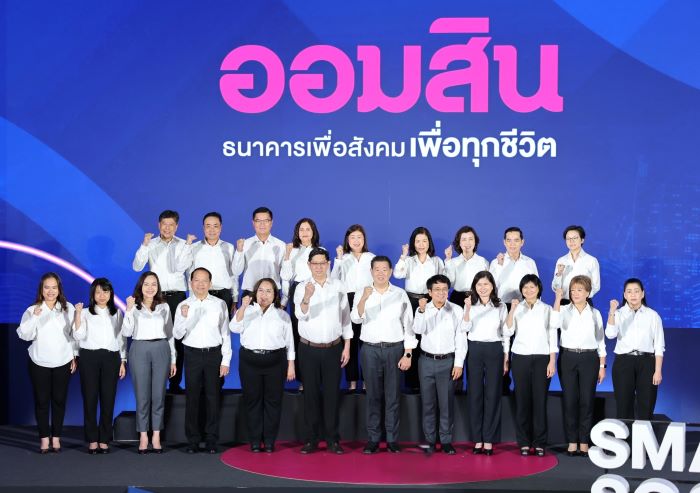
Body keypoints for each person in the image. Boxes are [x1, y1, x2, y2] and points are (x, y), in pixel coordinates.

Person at [351, 256, 415, 454]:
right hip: (369, 349)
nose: (380, 273)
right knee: (372, 396)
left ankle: (392, 439)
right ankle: (373, 439)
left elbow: (409, 325)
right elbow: (356, 318)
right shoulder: (362, 292)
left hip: (394, 349)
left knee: (393, 396)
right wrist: (364, 298)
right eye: (376, 269)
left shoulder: (400, 294)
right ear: (371, 272)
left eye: (384, 269)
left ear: (391, 271)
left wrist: (408, 354)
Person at [294, 247, 352, 454]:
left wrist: (347, 346)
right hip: (308, 348)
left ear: (328, 264)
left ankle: (332, 440)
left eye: (322, 263)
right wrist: (307, 297)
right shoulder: (302, 287)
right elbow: (300, 315)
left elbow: (345, 318)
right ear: (309, 265)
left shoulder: (338, 286)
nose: (318, 267)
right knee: (310, 395)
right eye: (314, 263)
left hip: (333, 348)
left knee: (332, 395)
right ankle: (311, 439)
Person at [132, 209, 194, 393]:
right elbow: (137, 267)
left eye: (171, 225)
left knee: (178, 339)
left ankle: (174, 384)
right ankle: (156, 384)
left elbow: (188, 271)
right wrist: (144, 245)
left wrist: (191, 299)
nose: (167, 228)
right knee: (158, 338)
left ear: (177, 226)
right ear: (159, 225)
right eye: (164, 224)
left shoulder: (184, 244)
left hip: (178, 296)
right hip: (155, 297)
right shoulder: (150, 244)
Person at [231, 278, 295, 453]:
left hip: (275, 361)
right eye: (260, 290)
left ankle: (269, 441)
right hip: (250, 360)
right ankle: (254, 440)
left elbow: (289, 342)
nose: (264, 295)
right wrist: (243, 307)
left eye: (268, 291)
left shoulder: (282, 315)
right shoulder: (247, 311)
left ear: (274, 295)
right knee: (252, 401)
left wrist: (291, 365)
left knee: (273, 402)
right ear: (255, 293)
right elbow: (234, 327)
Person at [17, 273, 78, 454]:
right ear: (41, 290)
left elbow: (74, 334)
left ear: (59, 289)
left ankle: (56, 437)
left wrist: (74, 355)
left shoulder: (68, 308)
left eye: (54, 287)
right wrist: (35, 317)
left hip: (63, 360)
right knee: (42, 401)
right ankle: (44, 439)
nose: (50, 291)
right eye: (47, 287)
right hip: (39, 361)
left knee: (59, 400)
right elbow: (24, 335)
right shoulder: (33, 310)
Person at [174, 268, 231, 454]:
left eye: (204, 280)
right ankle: (193, 440)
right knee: (192, 398)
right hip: (192, 354)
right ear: (190, 283)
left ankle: (211, 439)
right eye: (196, 280)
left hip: (214, 354)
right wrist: (184, 318)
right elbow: (177, 334)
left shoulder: (220, 304)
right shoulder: (183, 305)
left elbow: (225, 333)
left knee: (213, 397)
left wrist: (226, 360)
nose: (200, 284)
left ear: (210, 283)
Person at [504, 274, 559, 457]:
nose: (528, 290)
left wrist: (552, 360)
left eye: (532, 287)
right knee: (522, 401)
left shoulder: (547, 309)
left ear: (538, 289)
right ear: (521, 290)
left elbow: (552, 334)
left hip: (542, 358)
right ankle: (524, 442)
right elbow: (508, 330)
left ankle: (540, 442)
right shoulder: (517, 308)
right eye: (525, 287)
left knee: (540, 401)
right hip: (520, 357)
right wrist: (512, 309)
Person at [122, 271, 177, 454]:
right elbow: (127, 332)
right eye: (146, 284)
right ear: (140, 286)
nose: (150, 288)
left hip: (161, 348)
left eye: (154, 284)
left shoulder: (164, 306)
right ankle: (143, 435)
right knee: (142, 396)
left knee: (158, 395)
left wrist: (173, 359)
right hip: (139, 348)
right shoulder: (134, 306)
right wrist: (128, 310)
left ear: (158, 287)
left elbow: (170, 334)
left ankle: (156, 435)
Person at [414, 274, 467, 455]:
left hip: (448, 362)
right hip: (426, 361)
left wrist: (458, 363)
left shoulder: (456, 310)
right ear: (429, 292)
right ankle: (429, 440)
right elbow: (417, 329)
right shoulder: (422, 309)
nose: (441, 293)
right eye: (437, 289)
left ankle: (445, 440)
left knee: (446, 404)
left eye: (444, 289)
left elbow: (461, 338)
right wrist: (421, 311)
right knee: (428, 403)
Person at [72, 278, 126, 454]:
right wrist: (77, 315)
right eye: (98, 292)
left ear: (111, 294)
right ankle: (92, 439)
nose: (102, 295)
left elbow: (121, 338)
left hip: (111, 357)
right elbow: (78, 336)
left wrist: (123, 360)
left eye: (105, 291)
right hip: (89, 357)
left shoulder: (117, 313)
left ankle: (104, 439)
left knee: (108, 399)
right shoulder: (84, 312)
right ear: (92, 294)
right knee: (90, 398)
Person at [555, 275, 606, 457]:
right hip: (567, 356)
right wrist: (558, 299)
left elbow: (601, 341)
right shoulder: (563, 310)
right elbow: (554, 323)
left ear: (588, 292)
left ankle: (584, 442)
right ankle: (572, 441)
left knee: (586, 401)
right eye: (572, 290)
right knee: (570, 400)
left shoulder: (595, 313)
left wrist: (602, 366)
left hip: (589, 358)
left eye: (579, 290)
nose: (575, 293)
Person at [462, 271, 508, 455]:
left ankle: (489, 439)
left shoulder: (500, 306)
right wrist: (467, 309)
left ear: (492, 286)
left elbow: (506, 332)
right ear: (474, 287)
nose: (482, 288)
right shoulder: (470, 304)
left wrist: (506, 356)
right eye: (479, 284)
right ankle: (477, 440)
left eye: (486, 284)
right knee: (474, 394)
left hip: (494, 349)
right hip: (474, 349)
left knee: (492, 394)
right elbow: (465, 328)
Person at [606, 278, 664, 421]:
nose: (633, 295)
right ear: (624, 295)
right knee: (623, 405)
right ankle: (626, 435)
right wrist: (612, 312)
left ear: (642, 294)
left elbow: (659, 345)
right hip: (624, 362)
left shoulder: (653, 315)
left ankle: (644, 435)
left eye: (636, 291)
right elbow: (610, 334)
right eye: (629, 292)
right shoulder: (618, 313)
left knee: (647, 404)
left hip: (647, 362)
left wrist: (657, 370)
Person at [394, 226, 445, 390]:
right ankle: (412, 383)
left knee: (429, 338)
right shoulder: (409, 260)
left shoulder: (436, 261)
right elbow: (397, 274)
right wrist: (403, 255)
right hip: (411, 300)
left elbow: (443, 280)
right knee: (411, 338)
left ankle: (429, 382)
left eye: (424, 241)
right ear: (413, 243)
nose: (421, 245)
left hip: (430, 301)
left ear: (429, 243)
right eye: (418, 241)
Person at [489, 226, 538, 395]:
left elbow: (536, 287)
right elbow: (490, 287)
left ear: (522, 242)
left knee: (521, 345)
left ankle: (521, 387)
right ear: (504, 242)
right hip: (502, 307)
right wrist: (500, 266)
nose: (512, 244)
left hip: (524, 307)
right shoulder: (496, 262)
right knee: (503, 346)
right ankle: (502, 386)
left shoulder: (529, 262)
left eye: (516, 240)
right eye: (509, 240)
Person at [331, 224, 375, 390]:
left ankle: (366, 381)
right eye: (353, 238)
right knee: (349, 340)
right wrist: (338, 259)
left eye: (359, 237)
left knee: (366, 341)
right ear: (347, 240)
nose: (356, 241)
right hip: (347, 299)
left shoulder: (371, 257)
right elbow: (333, 279)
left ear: (364, 239)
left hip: (366, 299)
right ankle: (352, 382)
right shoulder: (343, 258)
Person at [281, 218, 323, 387]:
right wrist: (287, 255)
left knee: (315, 332)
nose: (304, 233)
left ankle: (317, 378)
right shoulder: (292, 250)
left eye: (308, 229)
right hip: (297, 290)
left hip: (317, 290)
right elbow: (286, 277)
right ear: (297, 233)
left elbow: (327, 274)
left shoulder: (321, 250)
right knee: (298, 335)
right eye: (301, 230)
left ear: (313, 232)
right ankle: (303, 380)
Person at [188, 212, 238, 314]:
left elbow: (234, 274)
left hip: (224, 295)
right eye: (208, 226)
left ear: (221, 227)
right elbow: (190, 274)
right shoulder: (194, 248)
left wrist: (235, 298)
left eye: (215, 226)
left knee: (224, 324)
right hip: (202, 294)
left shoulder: (229, 247)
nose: (212, 230)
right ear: (203, 228)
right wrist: (191, 298)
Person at [233, 206, 286, 303]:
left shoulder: (281, 245)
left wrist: (284, 300)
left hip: (272, 294)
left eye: (266, 220)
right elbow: (236, 272)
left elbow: (286, 275)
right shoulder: (244, 244)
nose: (262, 224)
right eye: (258, 221)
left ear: (271, 222)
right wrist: (239, 251)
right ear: (253, 223)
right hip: (250, 293)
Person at [552, 225, 600, 304]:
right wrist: (559, 274)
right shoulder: (561, 260)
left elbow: (596, 286)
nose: (571, 241)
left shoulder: (591, 260)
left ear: (582, 240)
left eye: (575, 238)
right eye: (568, 239)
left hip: (584, 303)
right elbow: (555, 287)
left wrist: (583, 297)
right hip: (564, 303)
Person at [444, 226, 489, 306]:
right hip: (457, 297)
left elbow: (488, 283)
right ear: (459, 242)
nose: (467, 243)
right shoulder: (452, 262)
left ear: (475, 241)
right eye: (464, 239)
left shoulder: (483, 262)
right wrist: (448, 259)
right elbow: (449, 283)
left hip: (477, 297)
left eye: (470, 239)